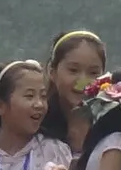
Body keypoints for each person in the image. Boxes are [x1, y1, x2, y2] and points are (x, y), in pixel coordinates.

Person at [44, 28, 108, 157]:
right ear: (52, 72)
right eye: (73, 70)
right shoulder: (36, 120)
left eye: (93, 73)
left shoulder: (111, 124)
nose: (82, 81)